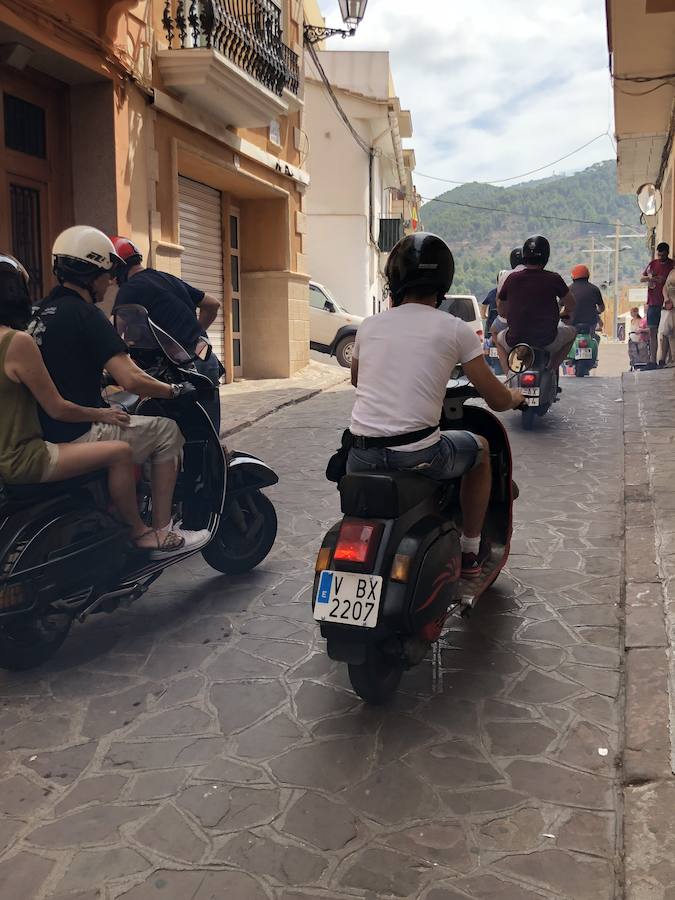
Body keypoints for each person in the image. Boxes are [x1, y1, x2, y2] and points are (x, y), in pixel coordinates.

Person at [347, 232, 524, 579]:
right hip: (416, 454)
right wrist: (515, 396)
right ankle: (471, 551)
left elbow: (357, 379)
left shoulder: (368, 327)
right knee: (481, 450)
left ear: (395, 280)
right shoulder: (455, 329)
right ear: (443, 280)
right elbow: (497, 399)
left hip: (360, 454)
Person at [29, 226, 208, 555]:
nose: (111, 280)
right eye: (106, 272)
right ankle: (160, 531)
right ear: (91, 272)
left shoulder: (38, 312)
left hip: (40, 429)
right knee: (166, 431)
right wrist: (172, 390)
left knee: (126, 419)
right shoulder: (87, 315)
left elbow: (58, 365)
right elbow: (131, 379)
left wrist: (96, 379)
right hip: (75, 430)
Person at [0, 254, 168, 551]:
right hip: (25, 457)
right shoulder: (16, 342)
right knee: (120, 451)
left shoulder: (27, 332)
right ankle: (141, 532)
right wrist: (102, 413)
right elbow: (58, 408)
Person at [111, 237, 223, 431]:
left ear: (117, 268)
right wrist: (192, 332)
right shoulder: (166, 278)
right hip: (204, 360)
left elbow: (113, 335)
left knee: (170, 438)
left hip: (179, 371)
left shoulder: (130, 290)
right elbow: (212, 304)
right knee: (207, 439)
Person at [495, 235, 577, 380]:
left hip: (515, 341)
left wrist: (511, 315)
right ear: (546, 256)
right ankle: (551, 369)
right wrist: (565, 312)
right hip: (547, 340)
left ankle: (508, 374)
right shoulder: (554, 278)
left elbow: (501, 308)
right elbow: (571, 303)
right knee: (572, 333)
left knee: (498, 339)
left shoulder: (512, 278)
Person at [641, 242, 674, 368]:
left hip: (666, 304)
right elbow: (642, 278)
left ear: (667, 253)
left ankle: (666, 359)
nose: (660, 258)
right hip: (653, 303)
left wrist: (663, 280)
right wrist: (651, 278)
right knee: (652, 331)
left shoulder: (672, 266)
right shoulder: (653, 264)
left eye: (663, 255)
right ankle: (652, 360)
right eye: (658, 255)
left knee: (667, 332)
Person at [569, 264, 605, 335]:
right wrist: (597, 311)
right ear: (588, 275)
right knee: (594, 337)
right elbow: (602, 308)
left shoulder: (568, 289)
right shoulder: (595, 289)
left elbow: (559, 306)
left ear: (572, 276)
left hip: (572, 322)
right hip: (591, 322)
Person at [658, 267, 675, 366]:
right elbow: (665, 287)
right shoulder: (672, 271)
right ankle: (666, 358)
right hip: (669, 305)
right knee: (666, 331)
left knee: (672, 332)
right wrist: (666, 298)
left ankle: (672, 358)